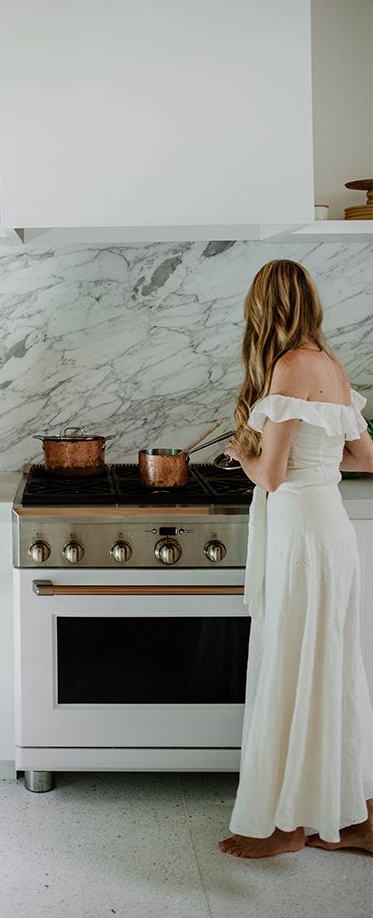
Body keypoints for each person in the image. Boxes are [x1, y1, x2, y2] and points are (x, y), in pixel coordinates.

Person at [218, 258, 373, 859]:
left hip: (301, 533)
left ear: (264, 309)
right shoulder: (330, 365)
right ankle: (349, 816)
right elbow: (365, 456)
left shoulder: (288, 367)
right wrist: (317, 461)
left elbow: (272, 476)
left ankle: (285, 825)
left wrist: (240, 451)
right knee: (328, 668)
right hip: (329, 529)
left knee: (291, 663)